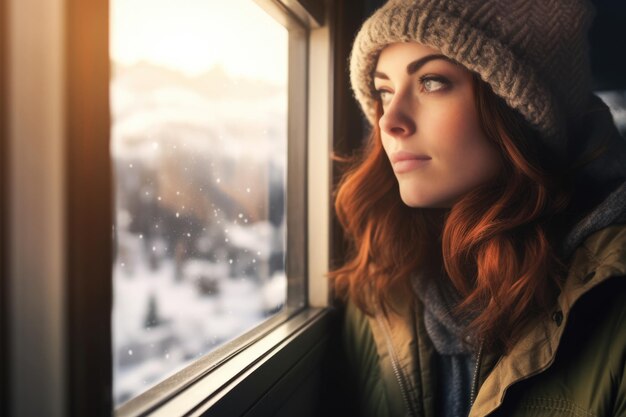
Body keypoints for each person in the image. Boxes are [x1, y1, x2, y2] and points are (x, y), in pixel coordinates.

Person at [330, 0, 626, 416]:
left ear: (517, 107)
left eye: (432, 82)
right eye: (384, 91)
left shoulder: (612, 300)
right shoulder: (382, 284)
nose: (389, 120)